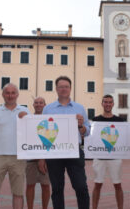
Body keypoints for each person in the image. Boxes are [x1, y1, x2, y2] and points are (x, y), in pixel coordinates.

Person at [40, 76, 90, 209]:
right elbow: (42, 132)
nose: (63, 89)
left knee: (81, 187)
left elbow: (87, 131)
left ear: (70, 89)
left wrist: (81, 126)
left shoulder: (79, 108)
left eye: (66, 86)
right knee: (57, 188)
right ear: (56, 89)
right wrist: (42, 157)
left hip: (74, 151)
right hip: (54, 153)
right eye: (61, 86)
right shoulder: (48, 109)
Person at [0, 83, 30, 209]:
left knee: (18, 193)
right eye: (7, 93)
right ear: (3, 95)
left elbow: (32, 134)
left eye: (13, 93)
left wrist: (27, 121)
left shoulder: (25, 111)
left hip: (18, 157)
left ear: (17, 94)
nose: (10, 95)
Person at [91, 94, 125, 209]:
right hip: (99, 157)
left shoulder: (120, 121)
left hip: (115, 158)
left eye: (110, 102)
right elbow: (92, 139)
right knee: (97, 184)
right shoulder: (95, 120)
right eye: (105, 102)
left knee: (118, 185)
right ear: (102, 104)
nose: (108, 104)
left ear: (113, 104)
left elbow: (123, 138)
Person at [26, 97, 51, 209]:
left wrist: (44, 158)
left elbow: (50, 140)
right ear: (33, 105)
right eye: (36, 102)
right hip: (31, 158)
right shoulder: (28, 119)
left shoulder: (49, 120)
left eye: (41, 102)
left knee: (45, 186)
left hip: (46, 159)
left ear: (45, 105)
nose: (38, 104)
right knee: (30, 185)